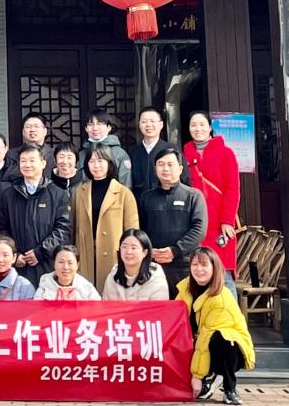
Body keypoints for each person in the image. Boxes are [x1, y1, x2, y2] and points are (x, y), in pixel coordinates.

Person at [178, 247, 255, 405]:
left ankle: (229, 388)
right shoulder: (185, 288)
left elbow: (206, 337)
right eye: (195, 265)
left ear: (215, 268)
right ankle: (209, 375)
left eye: (204, 265)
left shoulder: (221, 297)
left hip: (229, 349)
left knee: (221, 339)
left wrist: (197, 376)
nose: (199, 269)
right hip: (199, 342)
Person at [0, 144, 71, 287]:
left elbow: (63, 229)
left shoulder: (58, 194)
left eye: (32, 160)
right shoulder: (9, 195)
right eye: (23, 160)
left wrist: (41, 252)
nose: (27, 165)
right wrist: (14, 254)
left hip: (47, 264)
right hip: (17, 265)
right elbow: (1, 228)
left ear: (43, 163)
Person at [185, 111, 241, 298]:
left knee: (222, 272)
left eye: (202, 124)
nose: (198, 129)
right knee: (197, 272)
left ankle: (230, 313)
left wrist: (227, 220)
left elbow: (232, 189)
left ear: (210, 128)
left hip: (218, 221)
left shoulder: (226, 153)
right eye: (193, 125)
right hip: (194, 221)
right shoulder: (184, 154)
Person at [139, 147, 208, 297]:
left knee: (185, 306)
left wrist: (175, 250)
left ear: (180, 169)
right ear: (155, 168)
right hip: (153, 266)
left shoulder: (193, 196)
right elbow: (140, 230)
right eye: (161, 164)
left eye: (170, 164)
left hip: (184, 265)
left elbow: (199, 230)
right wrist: (150, 251)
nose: (165, 168)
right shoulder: (146, 197)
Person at [71, 143, 139, 294]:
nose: (96, 165)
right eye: (92, 161)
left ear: (110, 163)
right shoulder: (79, 192)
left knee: (110, 295)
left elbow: (132, 232)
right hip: (85, 254)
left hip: (113, 255)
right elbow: (72, 226)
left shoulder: (123, 193)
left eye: (101, 161)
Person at [130, 106, 190, 198]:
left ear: (161, 124)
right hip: (139, 203)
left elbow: (185, 179)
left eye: (152, 121)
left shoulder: (172, 150)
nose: (148, 125)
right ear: (139, 124)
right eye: (144, 122)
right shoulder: (134, 152)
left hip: (167, 202)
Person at [102, 229, 169, 301]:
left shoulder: (157, 281)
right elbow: (106, 306)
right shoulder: (112, 277)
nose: (128, 252)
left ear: (144, 252)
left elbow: (160, 307)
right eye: (124, 247)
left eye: (133, 248)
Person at [77, 108, 132, 188]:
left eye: (99, 124)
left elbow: (126, 185)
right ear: (86, 128)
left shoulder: (119, 153)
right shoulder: (81, 154)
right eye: (90, 124)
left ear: (109, 127)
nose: (95, 128)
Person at [34, 245, 101, 300]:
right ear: (54, 263)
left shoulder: (87, 289)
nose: (65, 267)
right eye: (61, 262)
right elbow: (37, 310)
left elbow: (97, 309)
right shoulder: (45, 286)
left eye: (70, 263)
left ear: (77, 265)